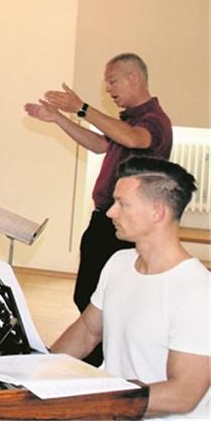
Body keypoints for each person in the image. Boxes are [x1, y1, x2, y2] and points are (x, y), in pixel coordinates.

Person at [50, 157, 208, 418]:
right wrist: (37, 372)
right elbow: (89, 331)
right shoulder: (119, 263)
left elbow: (183, 395)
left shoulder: (197, 292)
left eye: (122, 203)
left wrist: (97, 401)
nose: (111, 212)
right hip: (115, 409)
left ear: (158, 212)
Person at [25, 54, 173, 316]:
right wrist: (58, 118)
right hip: (105, 221)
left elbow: (134, 140)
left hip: (126, 226)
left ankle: (97, 355)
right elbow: (100, 144)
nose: (108, 89)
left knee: (104, 301)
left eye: (112, 81)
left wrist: (82, 107)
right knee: (87, 295)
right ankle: (93, 353)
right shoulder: (127, 119)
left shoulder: (153, 119)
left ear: (133, 77)